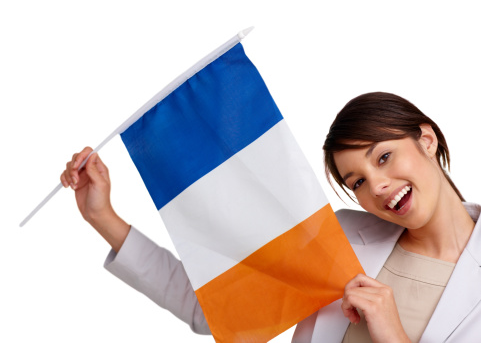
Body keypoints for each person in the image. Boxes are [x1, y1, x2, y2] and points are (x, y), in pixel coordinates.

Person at [60, 92, 481, 342]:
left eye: (384, 157)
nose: (378, 187)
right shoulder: (341, 238)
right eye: (357, 182)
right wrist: (103, 217)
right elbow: (215, 307)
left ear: (426, 140)